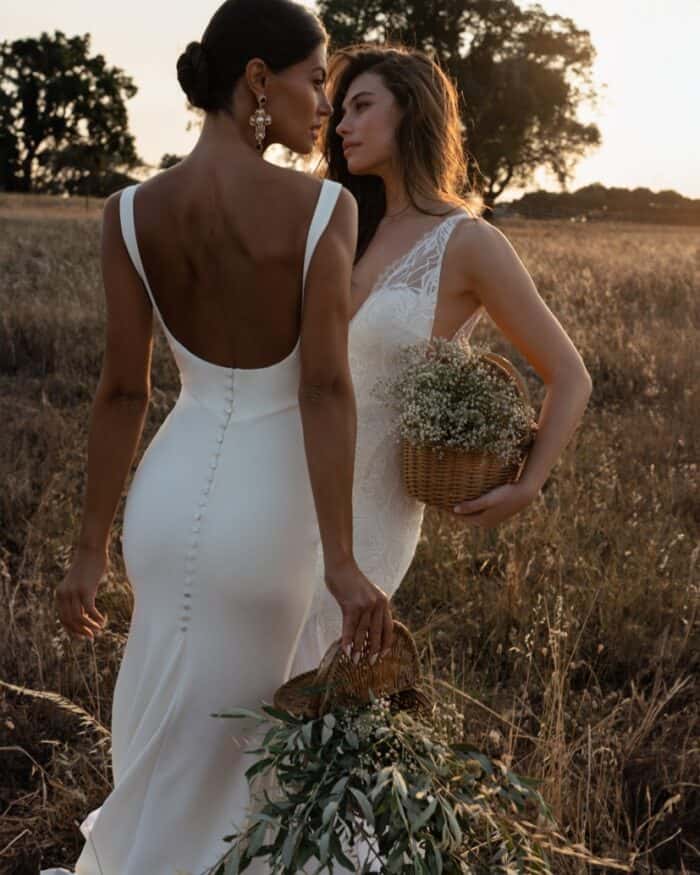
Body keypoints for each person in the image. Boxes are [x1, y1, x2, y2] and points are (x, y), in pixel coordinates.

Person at [40, 4, 395, 874]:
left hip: (164, 502)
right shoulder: (322, 210)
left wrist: (87, 548)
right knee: (246, 751)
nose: (323, 103)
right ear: (256, 81)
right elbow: (321, 385)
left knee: (166, 716)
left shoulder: (127, 211)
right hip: (265, 516)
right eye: (316, 80)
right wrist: (344, 563)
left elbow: (125, 389)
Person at [289, 43, 593, 715]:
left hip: (371, 512)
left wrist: (528, 481)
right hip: (281, 483)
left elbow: (569, 374)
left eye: (362, 106)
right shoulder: (337, 222)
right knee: (251, 691)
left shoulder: (468, 243)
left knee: (312, 702)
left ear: (414, 113)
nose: (341, 125)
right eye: (339, 110)